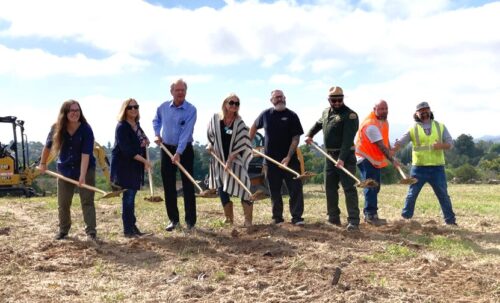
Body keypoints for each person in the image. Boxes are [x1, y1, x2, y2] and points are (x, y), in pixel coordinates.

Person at [38, 100, 97, 240]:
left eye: (77, 110)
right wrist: (43, 163)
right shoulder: (56, 128)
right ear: (65, 113)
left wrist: (82, 176)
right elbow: (47, 147)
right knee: (63, 203)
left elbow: (85, 154)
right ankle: (63, 230)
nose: (75, 113)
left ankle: (91, 232)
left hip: (86, 169)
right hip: (65, 170)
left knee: (87, 201)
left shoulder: (86, 129)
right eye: (72, 110)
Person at [305, 86, 360, 231]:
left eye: (339, 100)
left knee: (349, 188)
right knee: (330, 187)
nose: (336, 103)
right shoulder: (325, 112)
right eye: (333, 100)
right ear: (329, 100)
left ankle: (354, 221)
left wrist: (341, 158)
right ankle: (333, 217)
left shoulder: (350, 115)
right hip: (329, 156)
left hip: (346, 156)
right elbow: (319, 124)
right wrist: (310, 134)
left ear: (343, 98)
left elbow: (348, 139)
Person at [394, 102, 457, 225]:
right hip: (419, 168)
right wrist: (394, 147)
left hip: (437, 168)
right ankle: (406, 219)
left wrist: (441, 146)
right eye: (421, 110)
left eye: (426, 109)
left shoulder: (440, 126)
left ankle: (450, 221)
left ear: (430, 111)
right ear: (416, 114)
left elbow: (451, 143)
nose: (424, 112)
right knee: (412, 195)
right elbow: (400, 143)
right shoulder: (413, 128)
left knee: (443, 195)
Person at [249, 89, 305, 226]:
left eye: (281, 97)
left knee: (295, 189)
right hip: (270, 161)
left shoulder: (292, 116)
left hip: (289, 161)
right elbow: (254, 126)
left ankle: (297, 217)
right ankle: (277, 217)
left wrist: (288, 156)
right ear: (271, 100)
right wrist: (247, 144)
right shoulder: (266, 115)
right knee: (274, 190)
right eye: (276, 98)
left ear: (285, 98)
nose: (279, 99)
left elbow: (296, 138)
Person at [153, 79, 197, 231]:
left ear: (186, 91)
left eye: (183, 90)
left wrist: (178, 152)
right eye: (177, 90)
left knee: (188, 185)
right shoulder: (163, 107)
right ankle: (174, 220)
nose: (180, 93)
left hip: (184, 150)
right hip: (166, 149)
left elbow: (186, 133)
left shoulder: (191, 110)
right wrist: (157, 134)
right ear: (171, 92)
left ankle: (190, 221)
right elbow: (156, 120)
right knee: (168, 185)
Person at [207, 93, 254, 226]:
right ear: (225, 104)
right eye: (231, 102)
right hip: (218, 160)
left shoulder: (239, 123)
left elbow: (243, 142)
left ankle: (248, 220)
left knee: (244, 185)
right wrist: (210, 145)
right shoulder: (215, 118)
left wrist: (230, 160)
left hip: (235, 159)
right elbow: (210, 136)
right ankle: (229, 218)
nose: (234, 105)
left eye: (237, 103)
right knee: (222, 187)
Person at [110, 98, 151, 238]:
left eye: (136, 107)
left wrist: (146, 141)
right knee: (128, 198)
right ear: (125, 110)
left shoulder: (137, 125)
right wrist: (145, 161)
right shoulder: (122, 127)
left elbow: (143, 141)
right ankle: (128, 230)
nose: (133, 109)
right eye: (130, 107)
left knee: (131, 197)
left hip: (135, 166)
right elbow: (127, 150)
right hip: (124, 167)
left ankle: (132, 227)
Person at [355, 100, 399, 226]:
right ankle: (370, 215)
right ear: (374, 109)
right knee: (371, 185)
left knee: (376, 186)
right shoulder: (371, 125)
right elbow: (381, 146)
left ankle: (370, 213)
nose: (384, 111)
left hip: (373, 159)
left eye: (386, 108)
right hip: (365, 158)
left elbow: (384, 140)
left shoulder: (383, 122)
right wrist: (393, 160)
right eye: (381, 109)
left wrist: (391, 150)